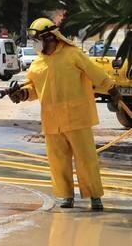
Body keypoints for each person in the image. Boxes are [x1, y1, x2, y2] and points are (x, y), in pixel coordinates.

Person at [9, 17, 122, 210]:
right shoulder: (37, 65)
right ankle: (65, 196)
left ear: (50, 37)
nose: (35, 44)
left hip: (77, 118)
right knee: (58, 161)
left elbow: (94, 72)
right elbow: (36, 90)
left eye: (38, 40)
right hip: (52, 122)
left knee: (86, 159)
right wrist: (22, 94)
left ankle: (95, 196)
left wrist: (111, 89)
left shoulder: (73, 55)